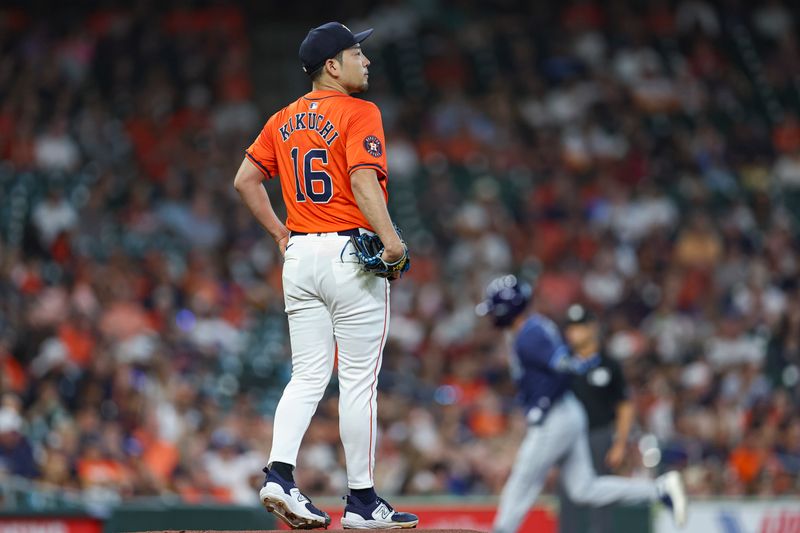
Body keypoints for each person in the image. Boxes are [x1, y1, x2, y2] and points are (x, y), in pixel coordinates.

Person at [233, 21, 416, 530]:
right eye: (358, 53)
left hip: (300, 256)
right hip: (348, 255)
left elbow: (245, 179)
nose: (368, 61)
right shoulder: (360, 111)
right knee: (358, 381)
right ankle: (362, 501)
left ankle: (279, 474)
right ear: (332, 65)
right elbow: (361, 179)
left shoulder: (283, 118)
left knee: (308, 374)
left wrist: (278, 233)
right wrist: (393, 240)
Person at [475, 275, 687, 533]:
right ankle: (658, 490)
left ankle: (502, 529)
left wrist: (546, 399)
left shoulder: (529, 334)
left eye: (494, 310)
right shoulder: (533, 327)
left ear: (507, 308)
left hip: (555, 417)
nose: (492, 316)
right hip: (566, 412)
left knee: (523, 480)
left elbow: (564, 365)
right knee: (583, 489)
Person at [558, 304, 635, 533]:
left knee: (600, 498)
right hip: (568, 440)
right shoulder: (562, 364)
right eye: (570, 328)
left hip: (599, 436)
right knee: (568, 499)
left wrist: (620, 443)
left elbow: (625, 406)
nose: (573, 333)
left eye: (579, 327)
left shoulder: (609, 364)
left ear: (592, 328)